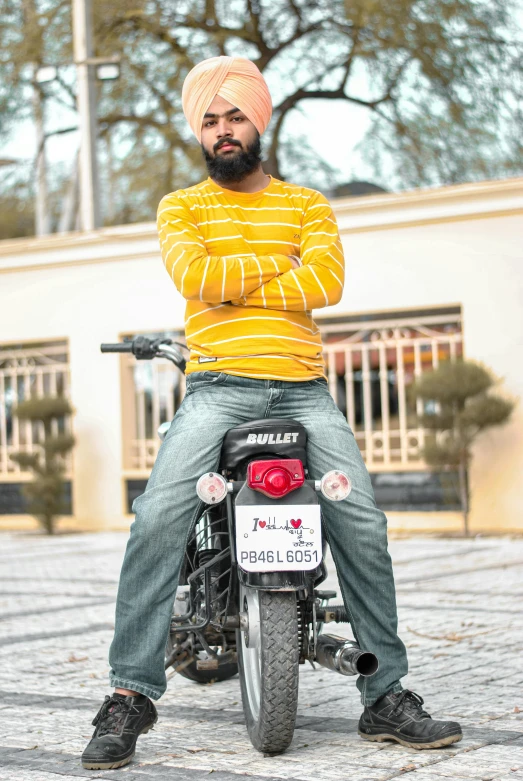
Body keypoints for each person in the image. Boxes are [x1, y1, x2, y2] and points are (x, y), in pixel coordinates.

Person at [82, 56, 462, 770]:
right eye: (210, 120)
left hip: (303, 389)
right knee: (159, 516)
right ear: (199, 131)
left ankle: (385, 693)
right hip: (216, 386)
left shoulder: (308, 203)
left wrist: (236, 284)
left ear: (260, 119)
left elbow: (327, 280)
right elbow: (195, 277)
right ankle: (130, 694)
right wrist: (278, 272)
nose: (223, 130)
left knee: (361, 522)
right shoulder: (182, 207)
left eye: (235, 116)